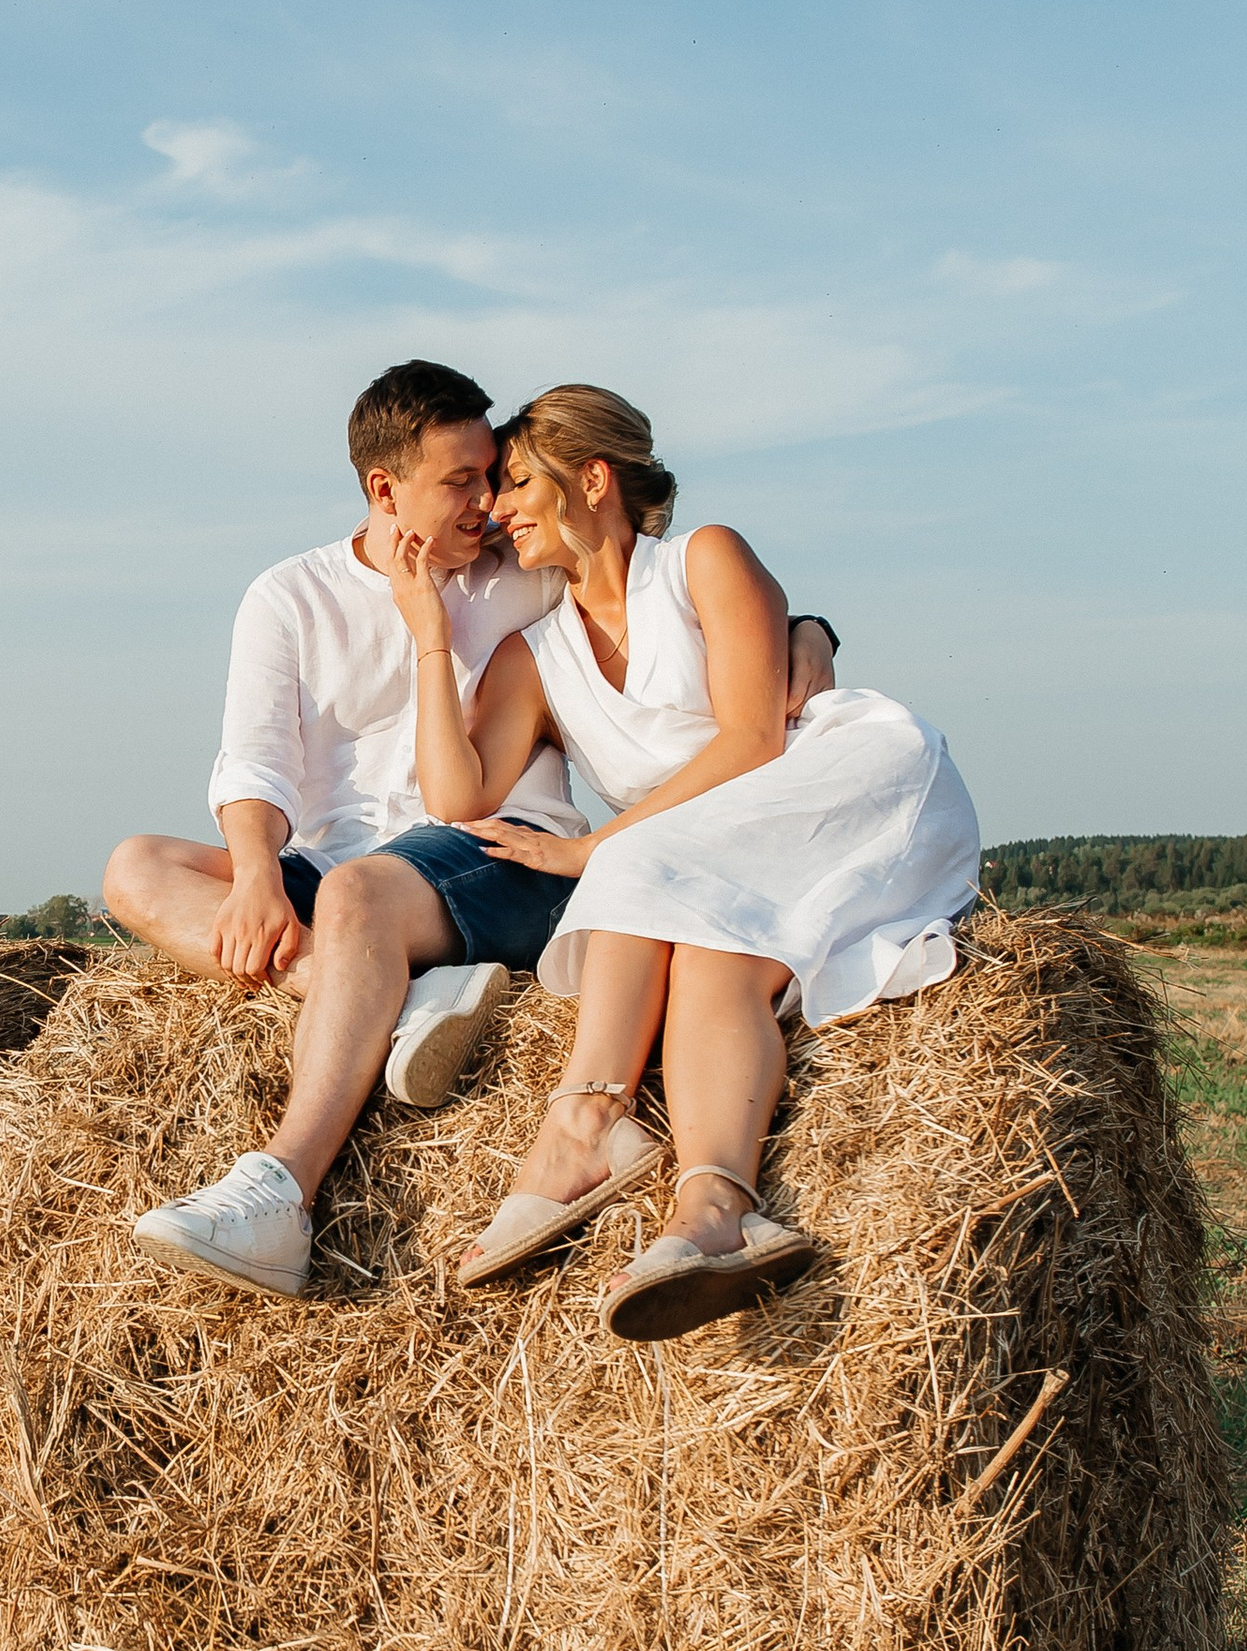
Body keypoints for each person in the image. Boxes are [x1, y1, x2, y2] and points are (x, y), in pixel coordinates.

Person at [104, 359, 838, 1302]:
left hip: (497, 852)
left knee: (355, 894)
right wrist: (253, 873)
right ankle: (377, 993)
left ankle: (281, 1192)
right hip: (343, 859)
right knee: (138, 867)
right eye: (460, 481)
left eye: (493, 475)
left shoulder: (520, 572)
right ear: (384, 489)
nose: (487, 501)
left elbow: (665, 595)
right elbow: (254, 763)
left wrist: (811, 629)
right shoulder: (288, 596)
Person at [385, 383, 979, 1339]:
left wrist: (593, 848)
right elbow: (457, 799)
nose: (494, 507)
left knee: (642, 870)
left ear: (593, 478)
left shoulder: (703, 560)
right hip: (709, 864)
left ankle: (580, 1127)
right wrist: (426, 636)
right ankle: (716, 1212)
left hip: (841, 785)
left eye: (517, 481)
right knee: (714, 960)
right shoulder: (533, 657)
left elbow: (751, 741)